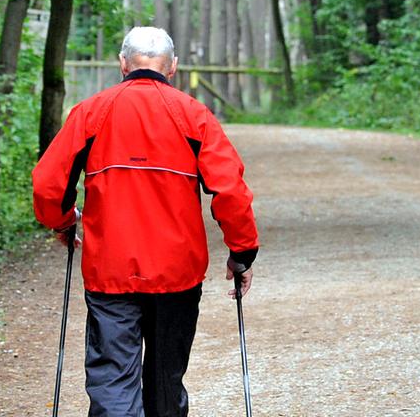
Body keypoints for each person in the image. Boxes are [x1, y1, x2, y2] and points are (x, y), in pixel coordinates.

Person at [32, 26, 260, 417]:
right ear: (171, 67)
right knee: (166, 380)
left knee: (113, 381)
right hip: (177, 272)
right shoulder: (194, 116)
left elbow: (47, 184)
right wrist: (242, 252)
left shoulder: (90, 113)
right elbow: (231, 191)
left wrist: (64, 221)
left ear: (123, 63)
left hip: (111, 272)